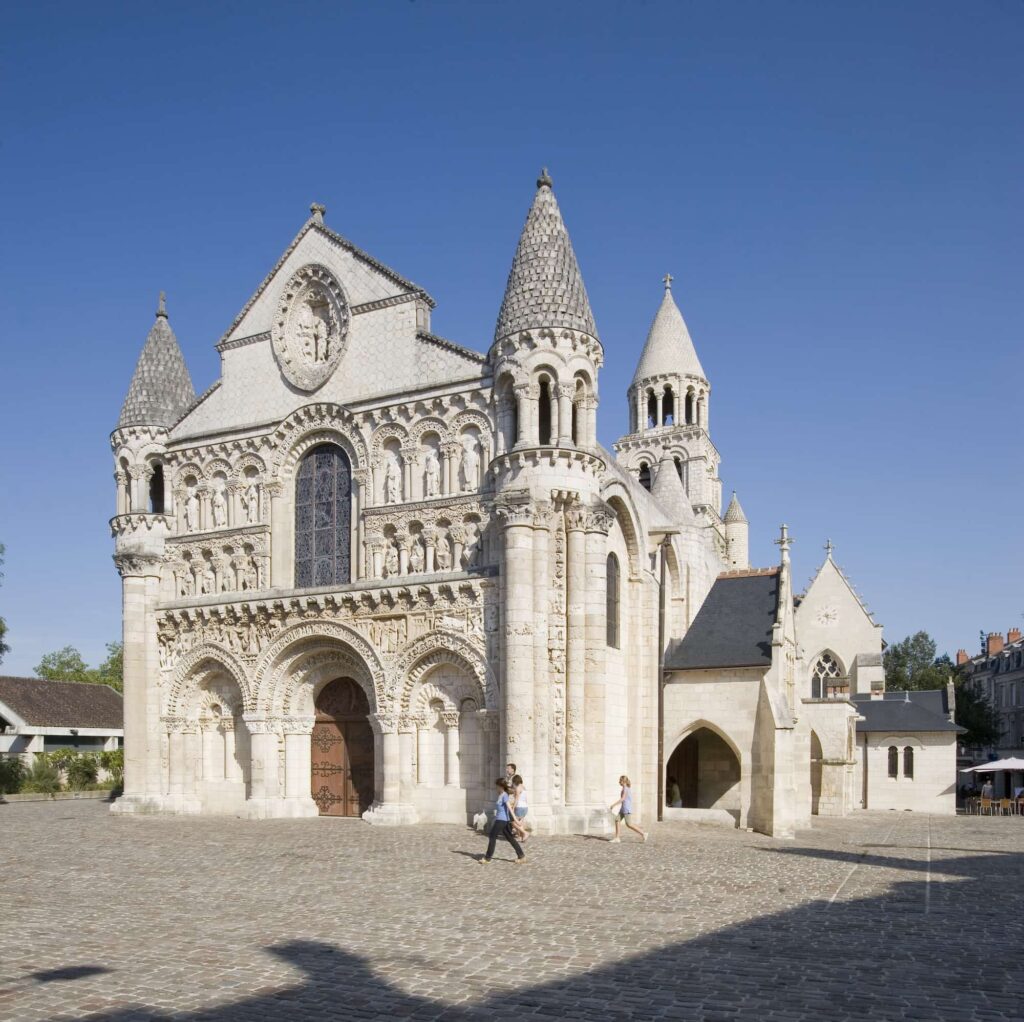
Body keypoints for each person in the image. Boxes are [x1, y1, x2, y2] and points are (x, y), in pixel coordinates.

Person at [480, 779, 526, 864]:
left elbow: (509, 809)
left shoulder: (504, 795)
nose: (496, 788)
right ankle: (521, 856)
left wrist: (516, 821)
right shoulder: (500, 795)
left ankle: (487, 858)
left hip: (502, 820)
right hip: (502, 820)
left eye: (496, 786)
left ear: (500, 786)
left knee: (492, 836)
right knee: (510, 838)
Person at [609, 775, 648, 843]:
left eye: (620, 781)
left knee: (629, 824)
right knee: (617, 820)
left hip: (626, 809)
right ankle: (617, 838)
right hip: (623, 808)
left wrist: (613, 805)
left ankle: (643, 834)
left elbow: (623, 799)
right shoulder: (626, 788)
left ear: (623, 781)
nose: (619, 782)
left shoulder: (625, 789)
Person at [510, 773, 529, 842]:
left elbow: (517, 799)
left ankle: (524, 833)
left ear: (515, 781)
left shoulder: (518, 788)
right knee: (521, 822)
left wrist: (513, 807)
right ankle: (522, 837)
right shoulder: (524, 787)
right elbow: (526, 799)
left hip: (519, 807)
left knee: (514, 822)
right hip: (525, 807)